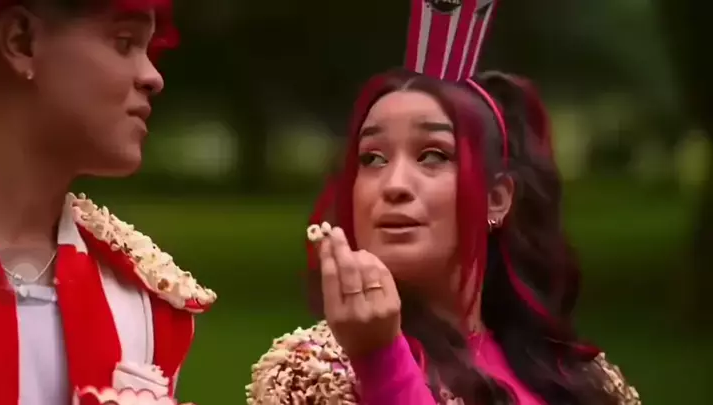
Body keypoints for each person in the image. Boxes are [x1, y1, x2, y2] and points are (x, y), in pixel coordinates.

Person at [247, 2, 640, 404]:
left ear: (496, 199)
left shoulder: (579, 377)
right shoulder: (311, 373)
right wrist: (380, 359)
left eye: (433, 155)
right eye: (373, 158)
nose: (394, 185)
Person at [0, 1, 216, 404]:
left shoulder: (144, 303)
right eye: (124, 42)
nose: (153, 77)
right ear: (21, 41)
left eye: (148, 48)